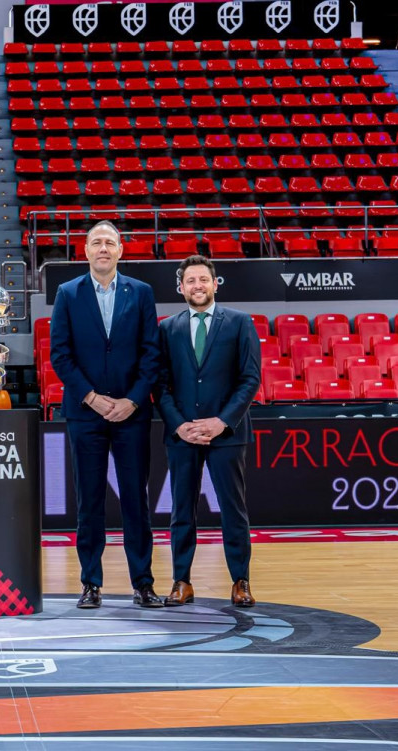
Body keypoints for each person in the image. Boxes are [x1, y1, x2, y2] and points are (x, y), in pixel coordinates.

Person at [49, 220, 163, 610]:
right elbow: (60, 355)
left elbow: (151, 353)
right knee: (90, 501)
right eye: (96, 242)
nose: (103, 248)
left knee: (135, 499)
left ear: (120, 250)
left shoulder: (142, 293)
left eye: (109, 242)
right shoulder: (67, 293)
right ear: (85, 251)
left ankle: (143, 583)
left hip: (132, 413)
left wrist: (131, 400)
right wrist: (92, 398)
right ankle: (90, 583)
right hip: (86, 414)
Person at [155, 255, 262, 609]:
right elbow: (162, 385)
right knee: (181, 511)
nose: (197, 286)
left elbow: (250, 379)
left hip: (227, 435)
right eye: (190, 281)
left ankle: (240, 581)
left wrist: (222, 422)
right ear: (180, 287)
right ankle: (181, 581)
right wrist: (180, 425)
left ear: (215, 284)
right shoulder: (167, 328)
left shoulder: (240, 322)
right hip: (182, 435)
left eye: (203, 279)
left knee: (234, 510)